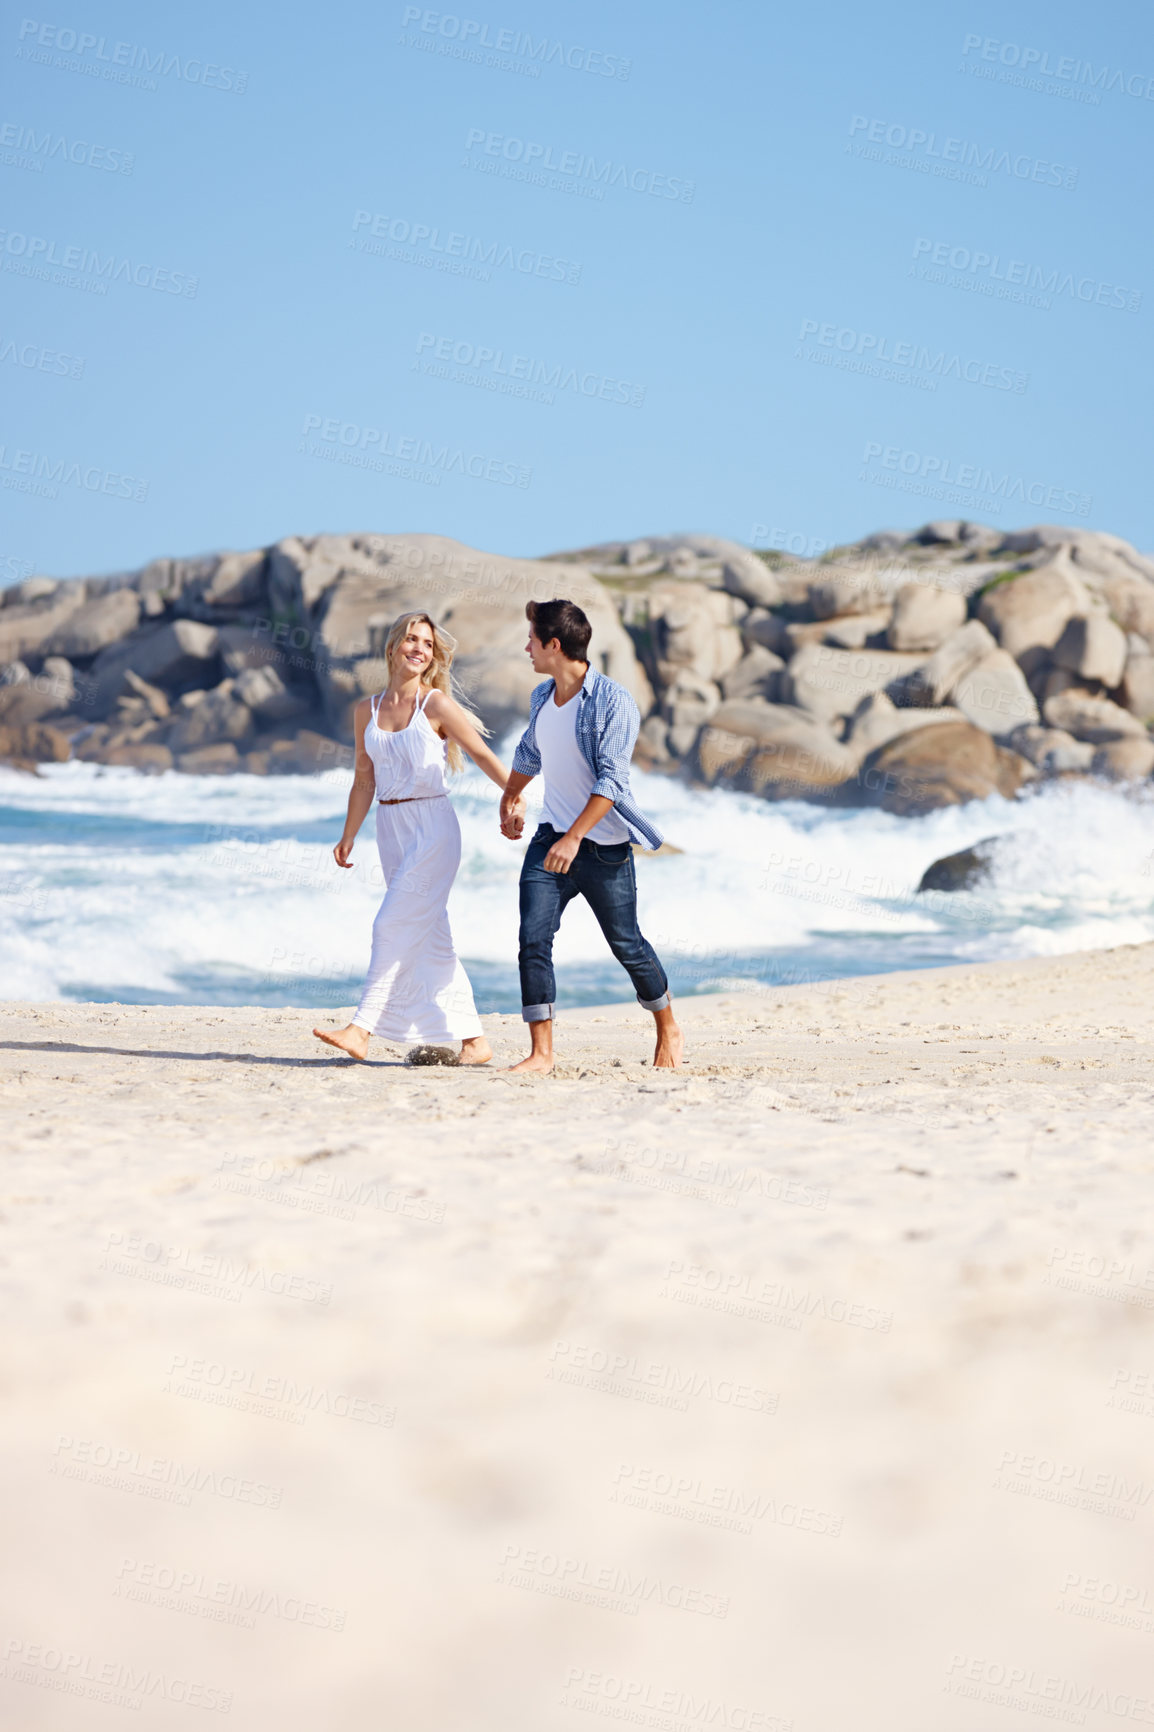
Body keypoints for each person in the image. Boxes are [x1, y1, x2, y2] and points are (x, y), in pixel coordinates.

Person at [314, 612, 522, 1063]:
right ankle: (475, 1041)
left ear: (432, 657)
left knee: (390, 924)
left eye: (427, 644)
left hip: (433, 828)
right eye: (411, 639)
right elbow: (364, 780)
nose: (419, 648)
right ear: (393, 647)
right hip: (390, 830)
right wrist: (349, 834)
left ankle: (361, 1030)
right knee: (432, 938)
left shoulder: (436, 706)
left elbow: (482, 753)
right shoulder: (365, 711)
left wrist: (514, 797)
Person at [498, 597, 682, 1073]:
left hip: (602, 850)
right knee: (532, 939)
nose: (527, 648)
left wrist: (575, 837)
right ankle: (542, 1053)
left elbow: (612, 782)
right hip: (549, 840)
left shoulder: (613, 702)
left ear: (554, 645)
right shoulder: (543, 697)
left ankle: (668, 1026)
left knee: (627, 945)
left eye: (533, 641)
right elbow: (529, 752)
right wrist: (510, 796)